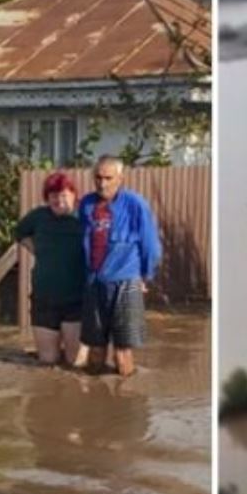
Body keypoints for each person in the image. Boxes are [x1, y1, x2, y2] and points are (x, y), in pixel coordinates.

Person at [78, 155, 162, 377]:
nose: (102, 183)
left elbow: (150, 244)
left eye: (108, 178)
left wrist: (145, 276)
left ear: (120, 179)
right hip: (94, 283)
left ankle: (125, 400)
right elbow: (83, 243)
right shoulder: (86, 204)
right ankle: (94, 400)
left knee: (122, 352)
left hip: (126, 282)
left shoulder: (135, 204)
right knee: (94, 350)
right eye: (98, 177)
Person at [15, 172, 87, 367]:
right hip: (44, 298)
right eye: (53, 195)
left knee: (76, 363)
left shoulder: (84, 217)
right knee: (47, 362)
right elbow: (19, 232)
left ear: (73, 195)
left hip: (77, 299)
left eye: (63, 194)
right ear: (47, 198)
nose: (58, 199)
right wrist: (36, 249)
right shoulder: (38, 217)